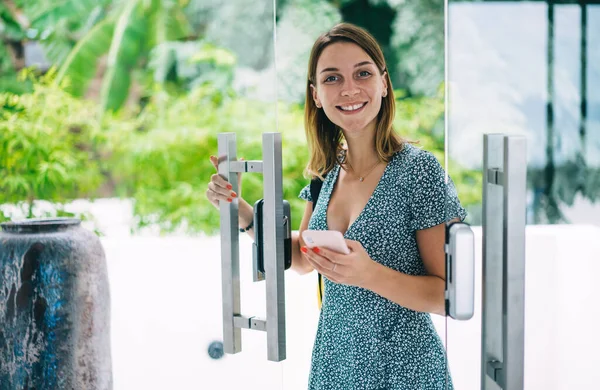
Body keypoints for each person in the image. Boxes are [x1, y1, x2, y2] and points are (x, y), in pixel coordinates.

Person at [206, 23, 466, 390]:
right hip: (335, 364)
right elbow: (302, 259)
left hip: (406, 370)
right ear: (315, 94)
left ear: (384, 83)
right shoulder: (326, 173)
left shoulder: (419, 171)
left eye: (363, 73)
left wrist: (368, 274)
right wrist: (241, 211)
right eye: (332, 78)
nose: (349, 89)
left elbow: (449, 296)